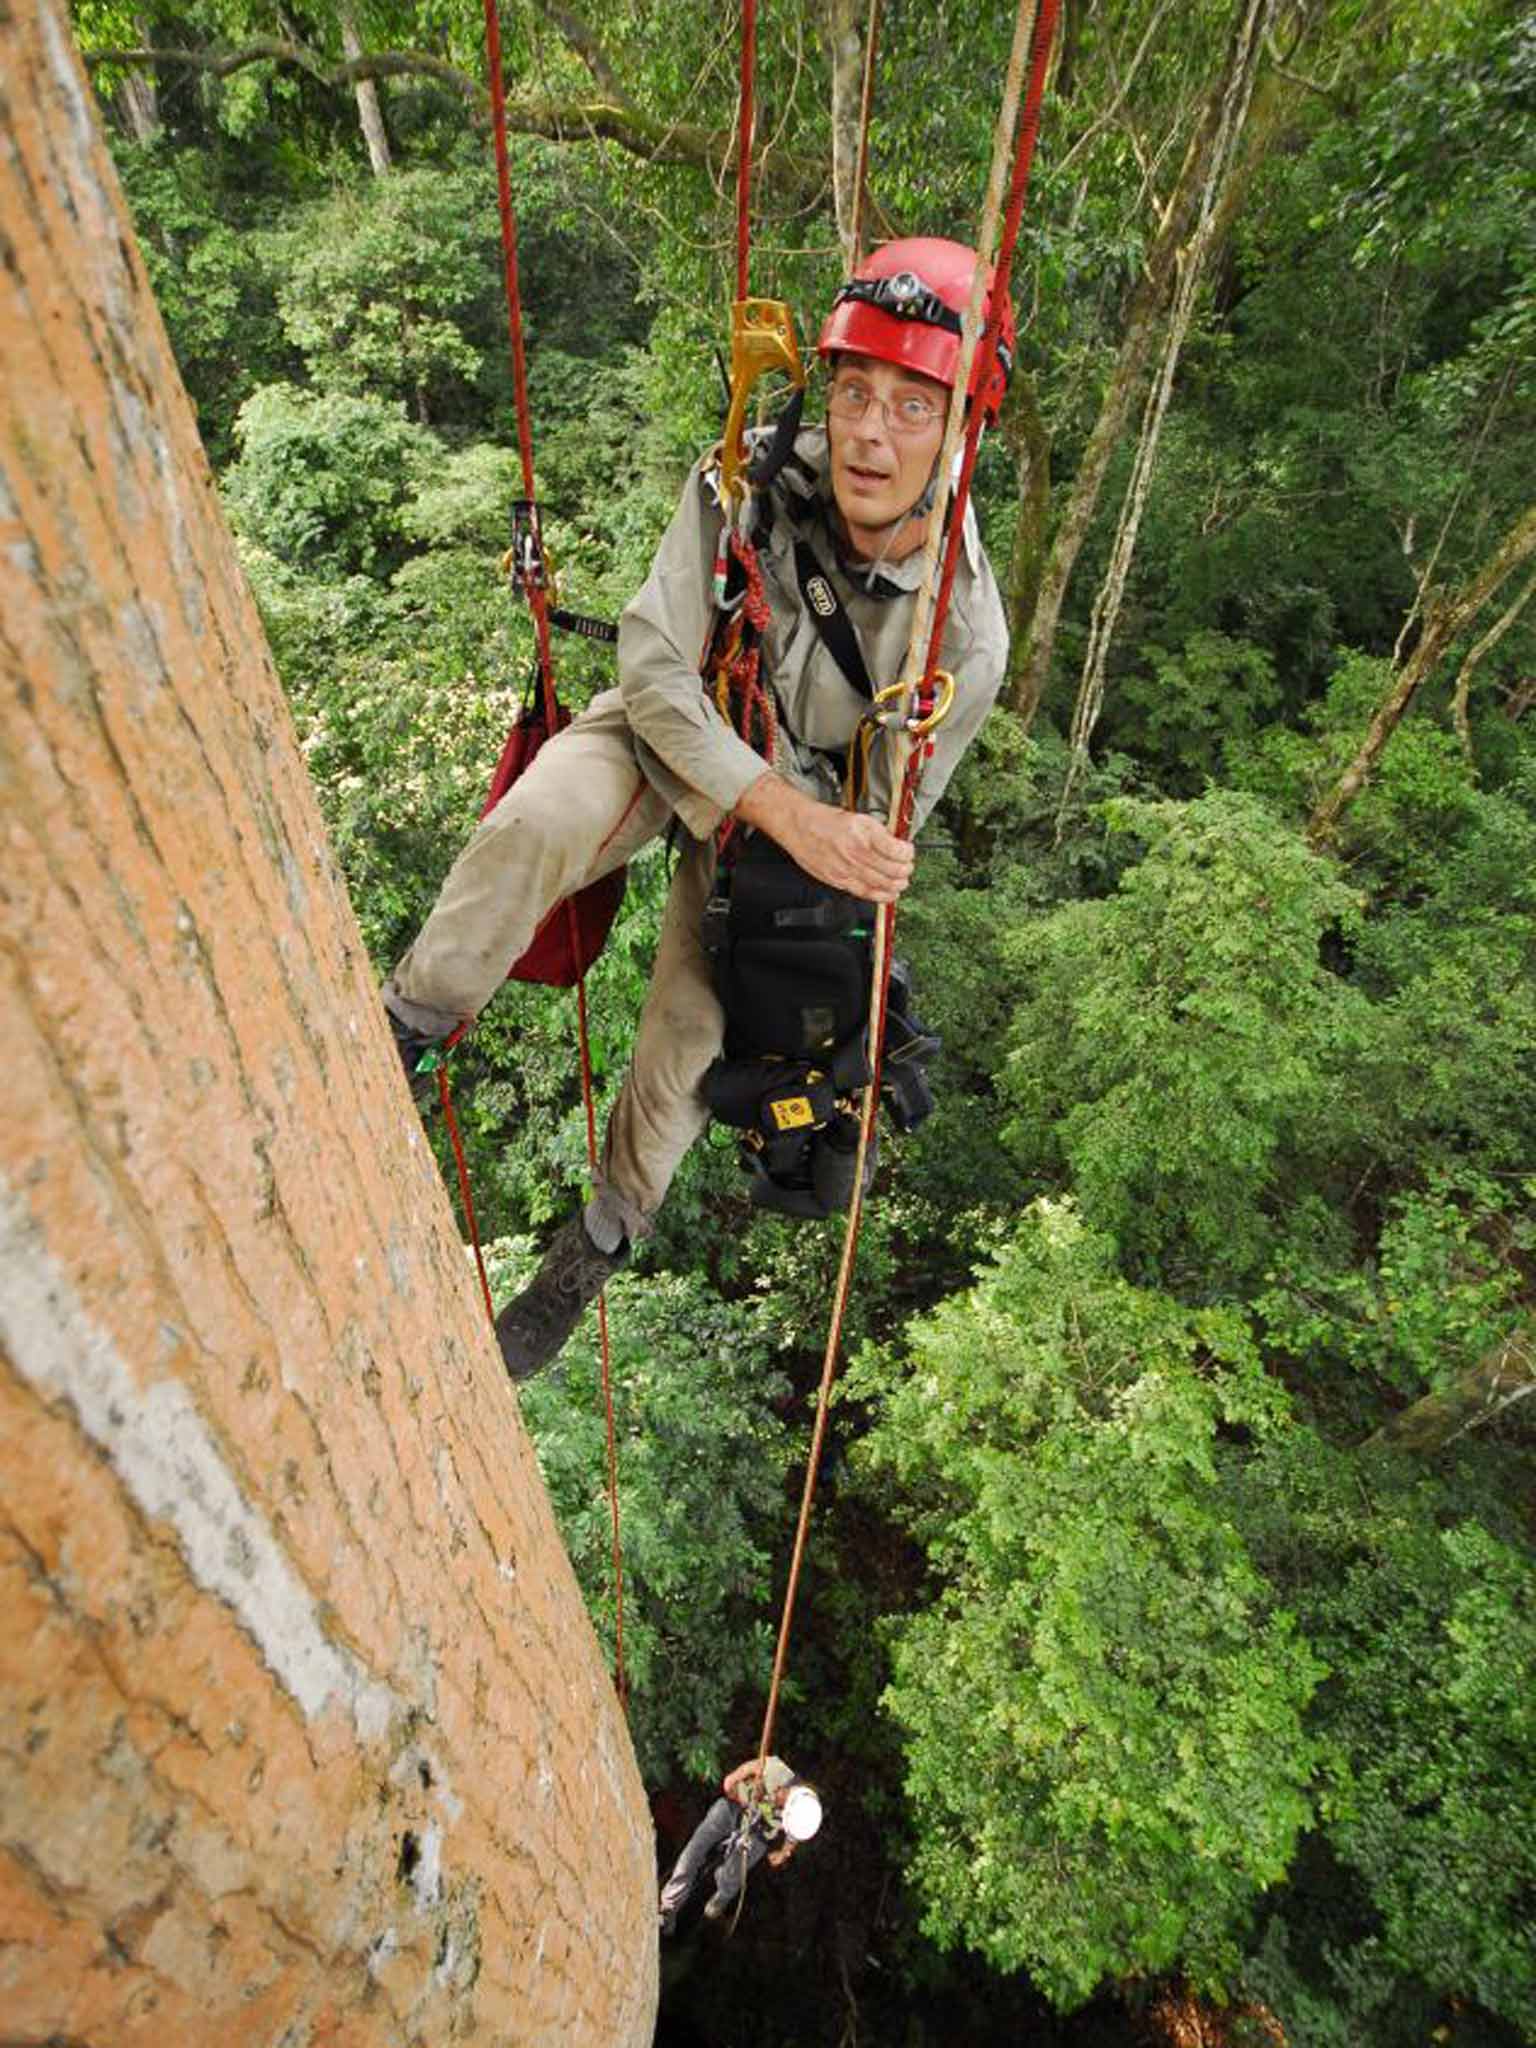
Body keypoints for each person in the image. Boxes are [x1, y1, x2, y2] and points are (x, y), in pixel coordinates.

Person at [383, 238, 1013, 1377]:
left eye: (912, 408)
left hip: (787, 818)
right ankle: (407, 1030)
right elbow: (656, 662)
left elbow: (877, 817)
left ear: (964, 432)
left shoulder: (961, 636)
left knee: (688, 1045)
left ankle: (595, 1243)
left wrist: (822, 886)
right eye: (856, 392)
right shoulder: (751, 479)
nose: (870, 432)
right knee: (535, 824)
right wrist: (772, 802)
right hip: (677, 729)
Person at [657, 1757, 823, 1934]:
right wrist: (734, 1783)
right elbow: (738, 1776)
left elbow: (793, 1836)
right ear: (789, 1794)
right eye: (783, 1812)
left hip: (757, 1834)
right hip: (733, 1809)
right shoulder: (775, 1770)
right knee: (693, 1853)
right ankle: (668, 1909)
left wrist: (783, 1853)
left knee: (731, 1879)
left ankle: (714, 1909)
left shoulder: (803, 1812)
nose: (781, 1816)